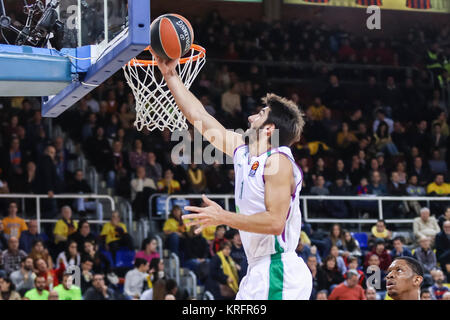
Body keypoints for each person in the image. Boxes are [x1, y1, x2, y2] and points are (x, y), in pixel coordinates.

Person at [156, 56, 311, 300]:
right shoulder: (243, 150)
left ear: (269, 129)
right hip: (260, 269)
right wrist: (170, 76)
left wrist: (222, 217)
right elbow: (200, 117)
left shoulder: (278, 161)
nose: (250, 118)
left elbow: (275, 223)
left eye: (260, 115)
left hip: (278, 271)